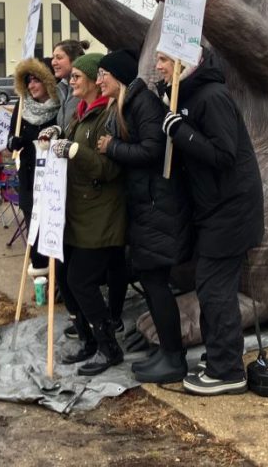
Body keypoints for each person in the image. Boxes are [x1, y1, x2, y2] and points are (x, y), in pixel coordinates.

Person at [155, 50, 264, 396]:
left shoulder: (213, 96)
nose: (158, 66)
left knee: (215, 290)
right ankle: (219, 354)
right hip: (213, 210)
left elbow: (223, 154)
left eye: (164, 59)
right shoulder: (188, 96)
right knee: (209, 286)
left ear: (184, 63)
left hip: (230, 211)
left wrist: (181, 131)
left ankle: (228, 370)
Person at [96, 49, 191, 383]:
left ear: (118, 75)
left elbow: (154, 151)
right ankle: (167, 353)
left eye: (102, 74)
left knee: (154, 281)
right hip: (145, 205)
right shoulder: (127, 104)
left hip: (157, 206)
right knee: (151, 282)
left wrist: (113, 148)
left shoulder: (142, 104)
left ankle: (174, 358)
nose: (98, 81)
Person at [47, 52, 127, 376]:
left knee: (81, 280)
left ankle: (109, 347)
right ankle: (88, 340)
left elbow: (111, 168)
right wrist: (56, 138)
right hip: (78, 212)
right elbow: (70, 144)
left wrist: (76, 151)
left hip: (101, 215)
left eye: (78, 77)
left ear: (95, 81)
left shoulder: (108, 116)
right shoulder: (80, 114)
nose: (72, 81)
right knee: (67, 280)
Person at [6, 58, 60, 276]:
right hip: (29, 181)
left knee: (53, 231)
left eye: (36, 80)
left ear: (48, 82)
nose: (31, 86)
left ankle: (57, 278)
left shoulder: (59, 107)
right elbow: (11, 136)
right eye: (28, 81)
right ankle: (40, 274)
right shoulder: (22, 106)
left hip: (53, 180)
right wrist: (13, 142)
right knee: (34, 230)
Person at [51, 38, 91, 131]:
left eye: (59, 58)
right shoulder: (62, 89)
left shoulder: (86, 91)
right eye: (53, 57)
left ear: (74, 60)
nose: (53, 62)